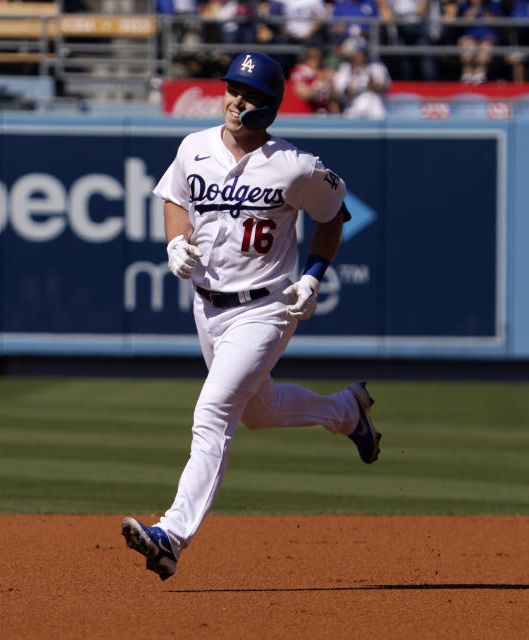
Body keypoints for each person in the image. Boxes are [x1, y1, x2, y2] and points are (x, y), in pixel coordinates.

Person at [121, 52, 382, 581]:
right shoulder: (195, 146)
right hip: (209, 306)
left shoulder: (295, 165)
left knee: (214, 412)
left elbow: (335, 216)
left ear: (270, 105)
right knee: (257, 411)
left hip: (266, 307)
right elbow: (175, 196)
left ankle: (171, 535)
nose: (236, 101)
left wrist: (313, 275)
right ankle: (348, 412)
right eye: (232, 89)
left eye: (250, 95)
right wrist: (175, 242)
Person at [333, 38, 392, 117]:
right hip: (353, 111)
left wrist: (368, 79)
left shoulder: (376, 66)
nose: (360, 56)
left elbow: (381, 87)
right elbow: (339, 92)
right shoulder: (345, 69)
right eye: (358, 52)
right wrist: (351, 88)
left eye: (363, 53)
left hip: (376, 111)